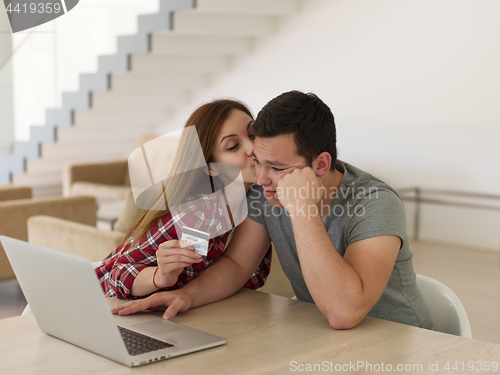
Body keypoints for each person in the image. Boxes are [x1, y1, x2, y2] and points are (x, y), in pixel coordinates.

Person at [112, 91, 433, 330]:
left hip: (402, 343)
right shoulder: (267, 190)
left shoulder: (375, 202)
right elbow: (238, 264)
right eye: (259, 163)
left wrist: (302, 209)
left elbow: (344, 312)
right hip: (328, 340)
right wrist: (188, 296)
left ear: (320, 164)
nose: (262, 180)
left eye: (277, 167)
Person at [95, 99, 272, 299]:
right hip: (105, 299)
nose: (252, 148)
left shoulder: (258, 195)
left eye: (253, 135)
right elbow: (116, 273)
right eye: (233, 146)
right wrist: (158, 276)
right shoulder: (196, 213)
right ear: (210, 167)